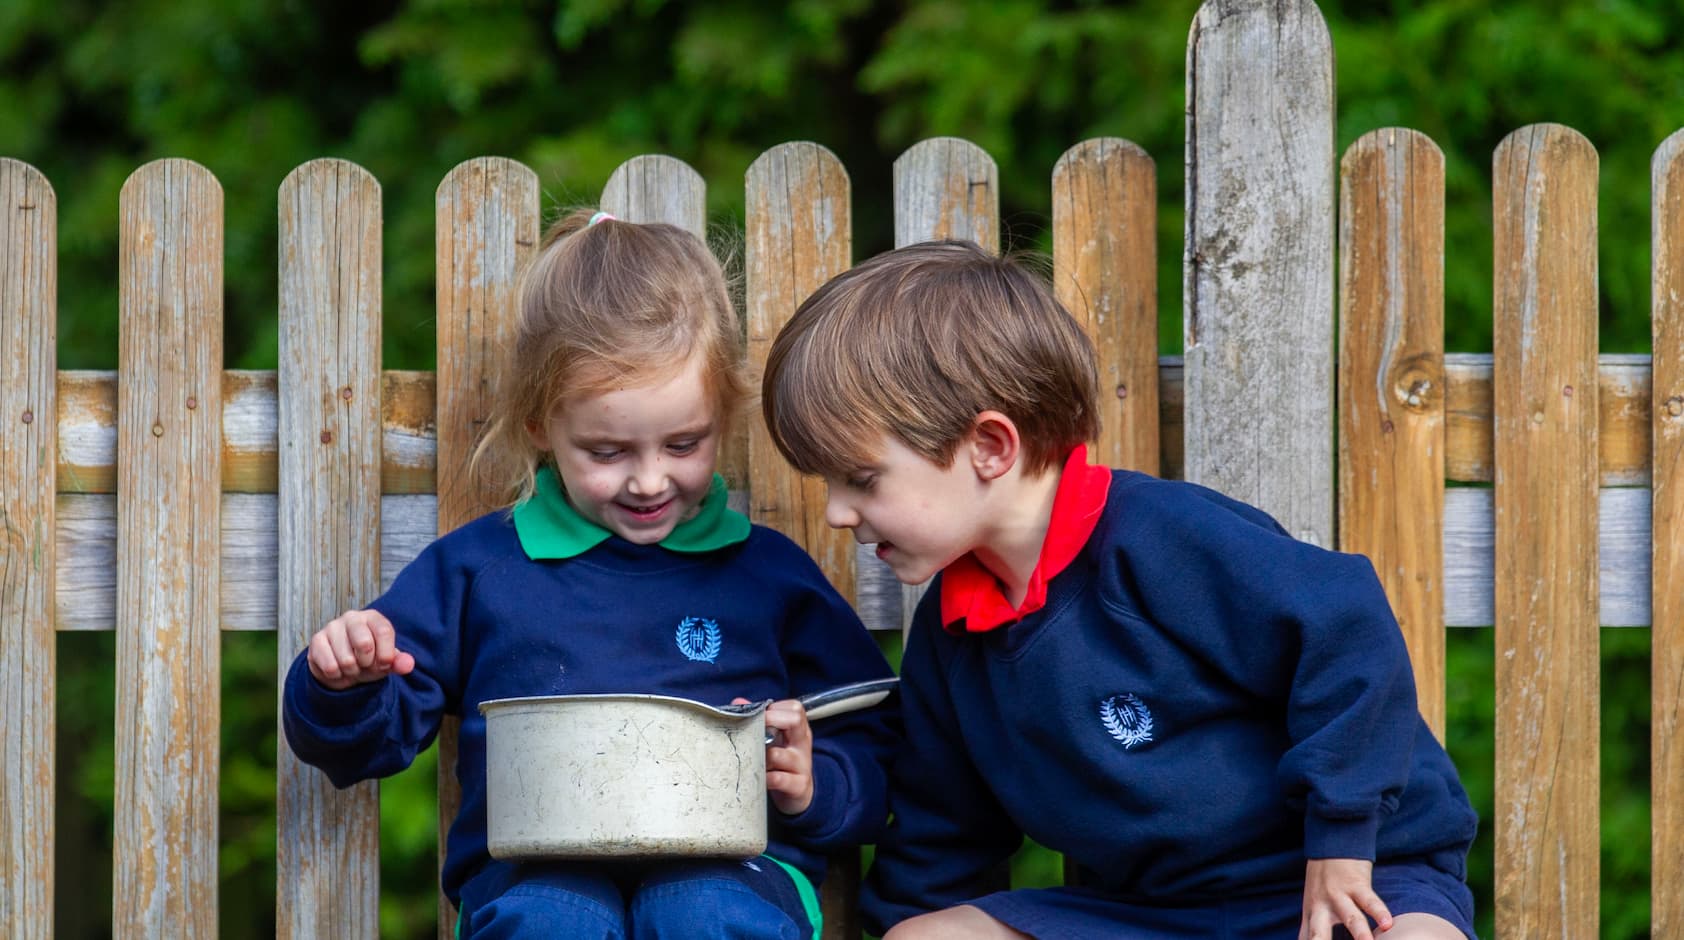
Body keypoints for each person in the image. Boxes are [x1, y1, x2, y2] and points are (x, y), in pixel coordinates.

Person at [760, 239, 1479, 940]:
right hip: (1148, 914)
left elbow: (1344, 629)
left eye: (860, 479)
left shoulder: (1161, 539)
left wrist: (1343, 840)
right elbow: (943, 836)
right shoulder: (953, 634)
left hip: (1344, 877)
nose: (837, 512)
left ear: (989, 447)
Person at [282, 209, 897, 940]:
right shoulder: (481, 571)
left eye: (683, 443)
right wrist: (344, 683)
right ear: (543, 427)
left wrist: (815, 784)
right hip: (534, 868)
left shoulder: (767, 576)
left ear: (723, 417)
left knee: (700, 912)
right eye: (608, 452)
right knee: (550, 921)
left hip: (738, 865)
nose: (648, 480)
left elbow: (874, 735)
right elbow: (368, 741)